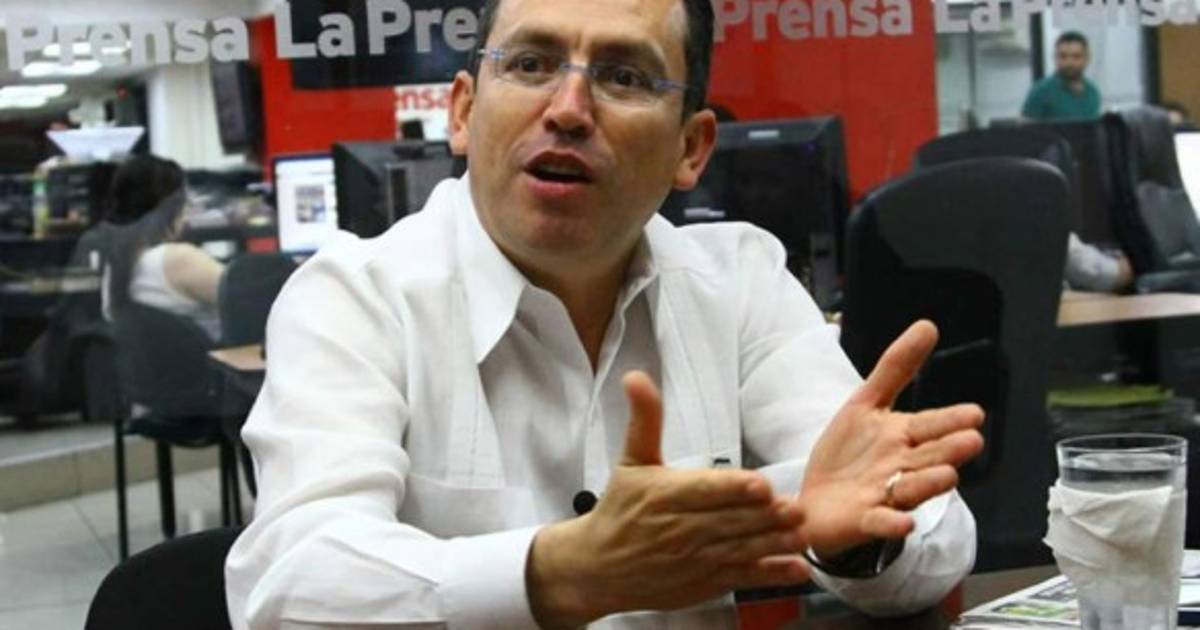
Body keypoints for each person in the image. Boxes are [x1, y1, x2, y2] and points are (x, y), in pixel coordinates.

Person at [224, 0, 985, 627]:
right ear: (463, 111)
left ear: (691, 148)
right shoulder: (355, 297)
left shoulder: (739, 282)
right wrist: (562, 573)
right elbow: (290, 587)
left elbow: (935, 541)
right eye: (530, 64)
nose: (568, 110)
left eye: (624, 76)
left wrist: (855, 541)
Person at [102, 155, 225, 340]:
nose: (189, 205)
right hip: (216, 356)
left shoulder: (114, 268)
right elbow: (250, 297)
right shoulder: (177, 260)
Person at [1021, 31, 1102, 121]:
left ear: (1087, 58)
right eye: (1063, 56)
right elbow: (1025, 127)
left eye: (1076, 56)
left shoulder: (1092, 92)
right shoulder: (1041, 91)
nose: (1069, 62)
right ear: (1055, 58)